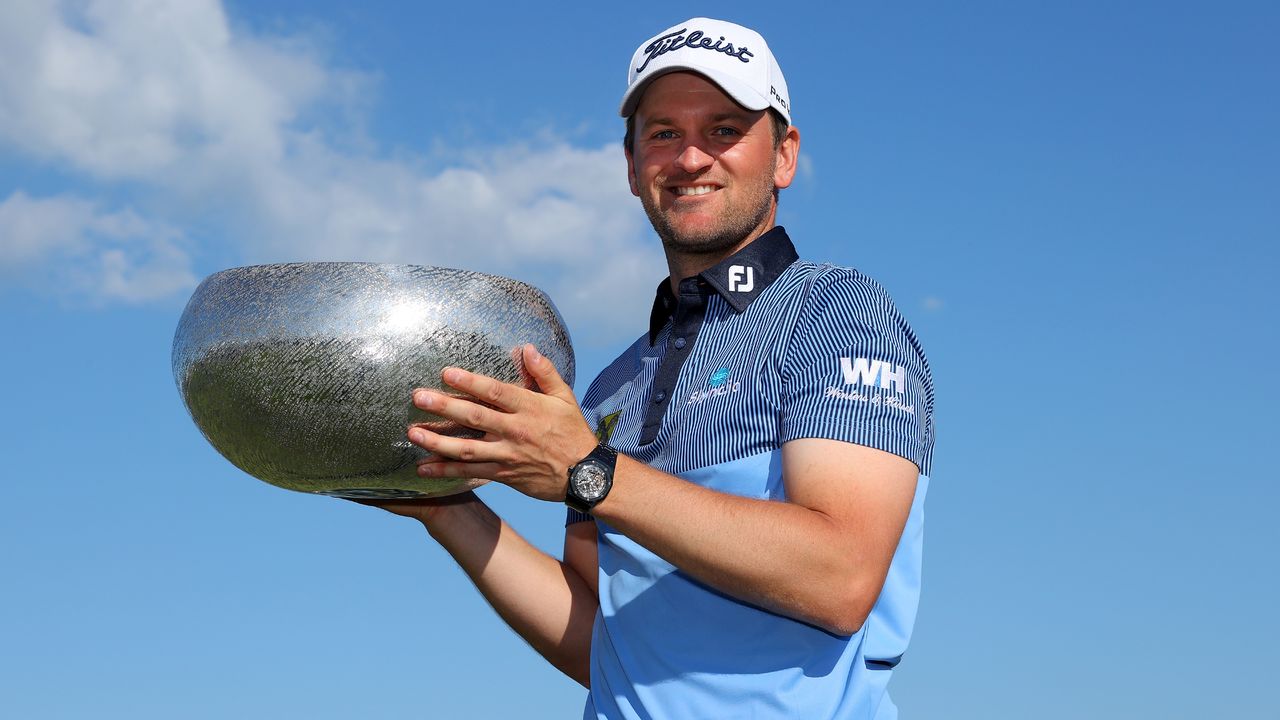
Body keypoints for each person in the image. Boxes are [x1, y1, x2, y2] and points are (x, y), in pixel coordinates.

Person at [368, 17, 935, 720]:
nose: (691, 157)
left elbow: (840, 577)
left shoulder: (834, 312)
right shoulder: (611, 388)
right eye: (663, 133)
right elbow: (600, 645)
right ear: (633, 167)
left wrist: (589, 471)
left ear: (784, 155)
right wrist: (447, 510)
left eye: (724, 129)